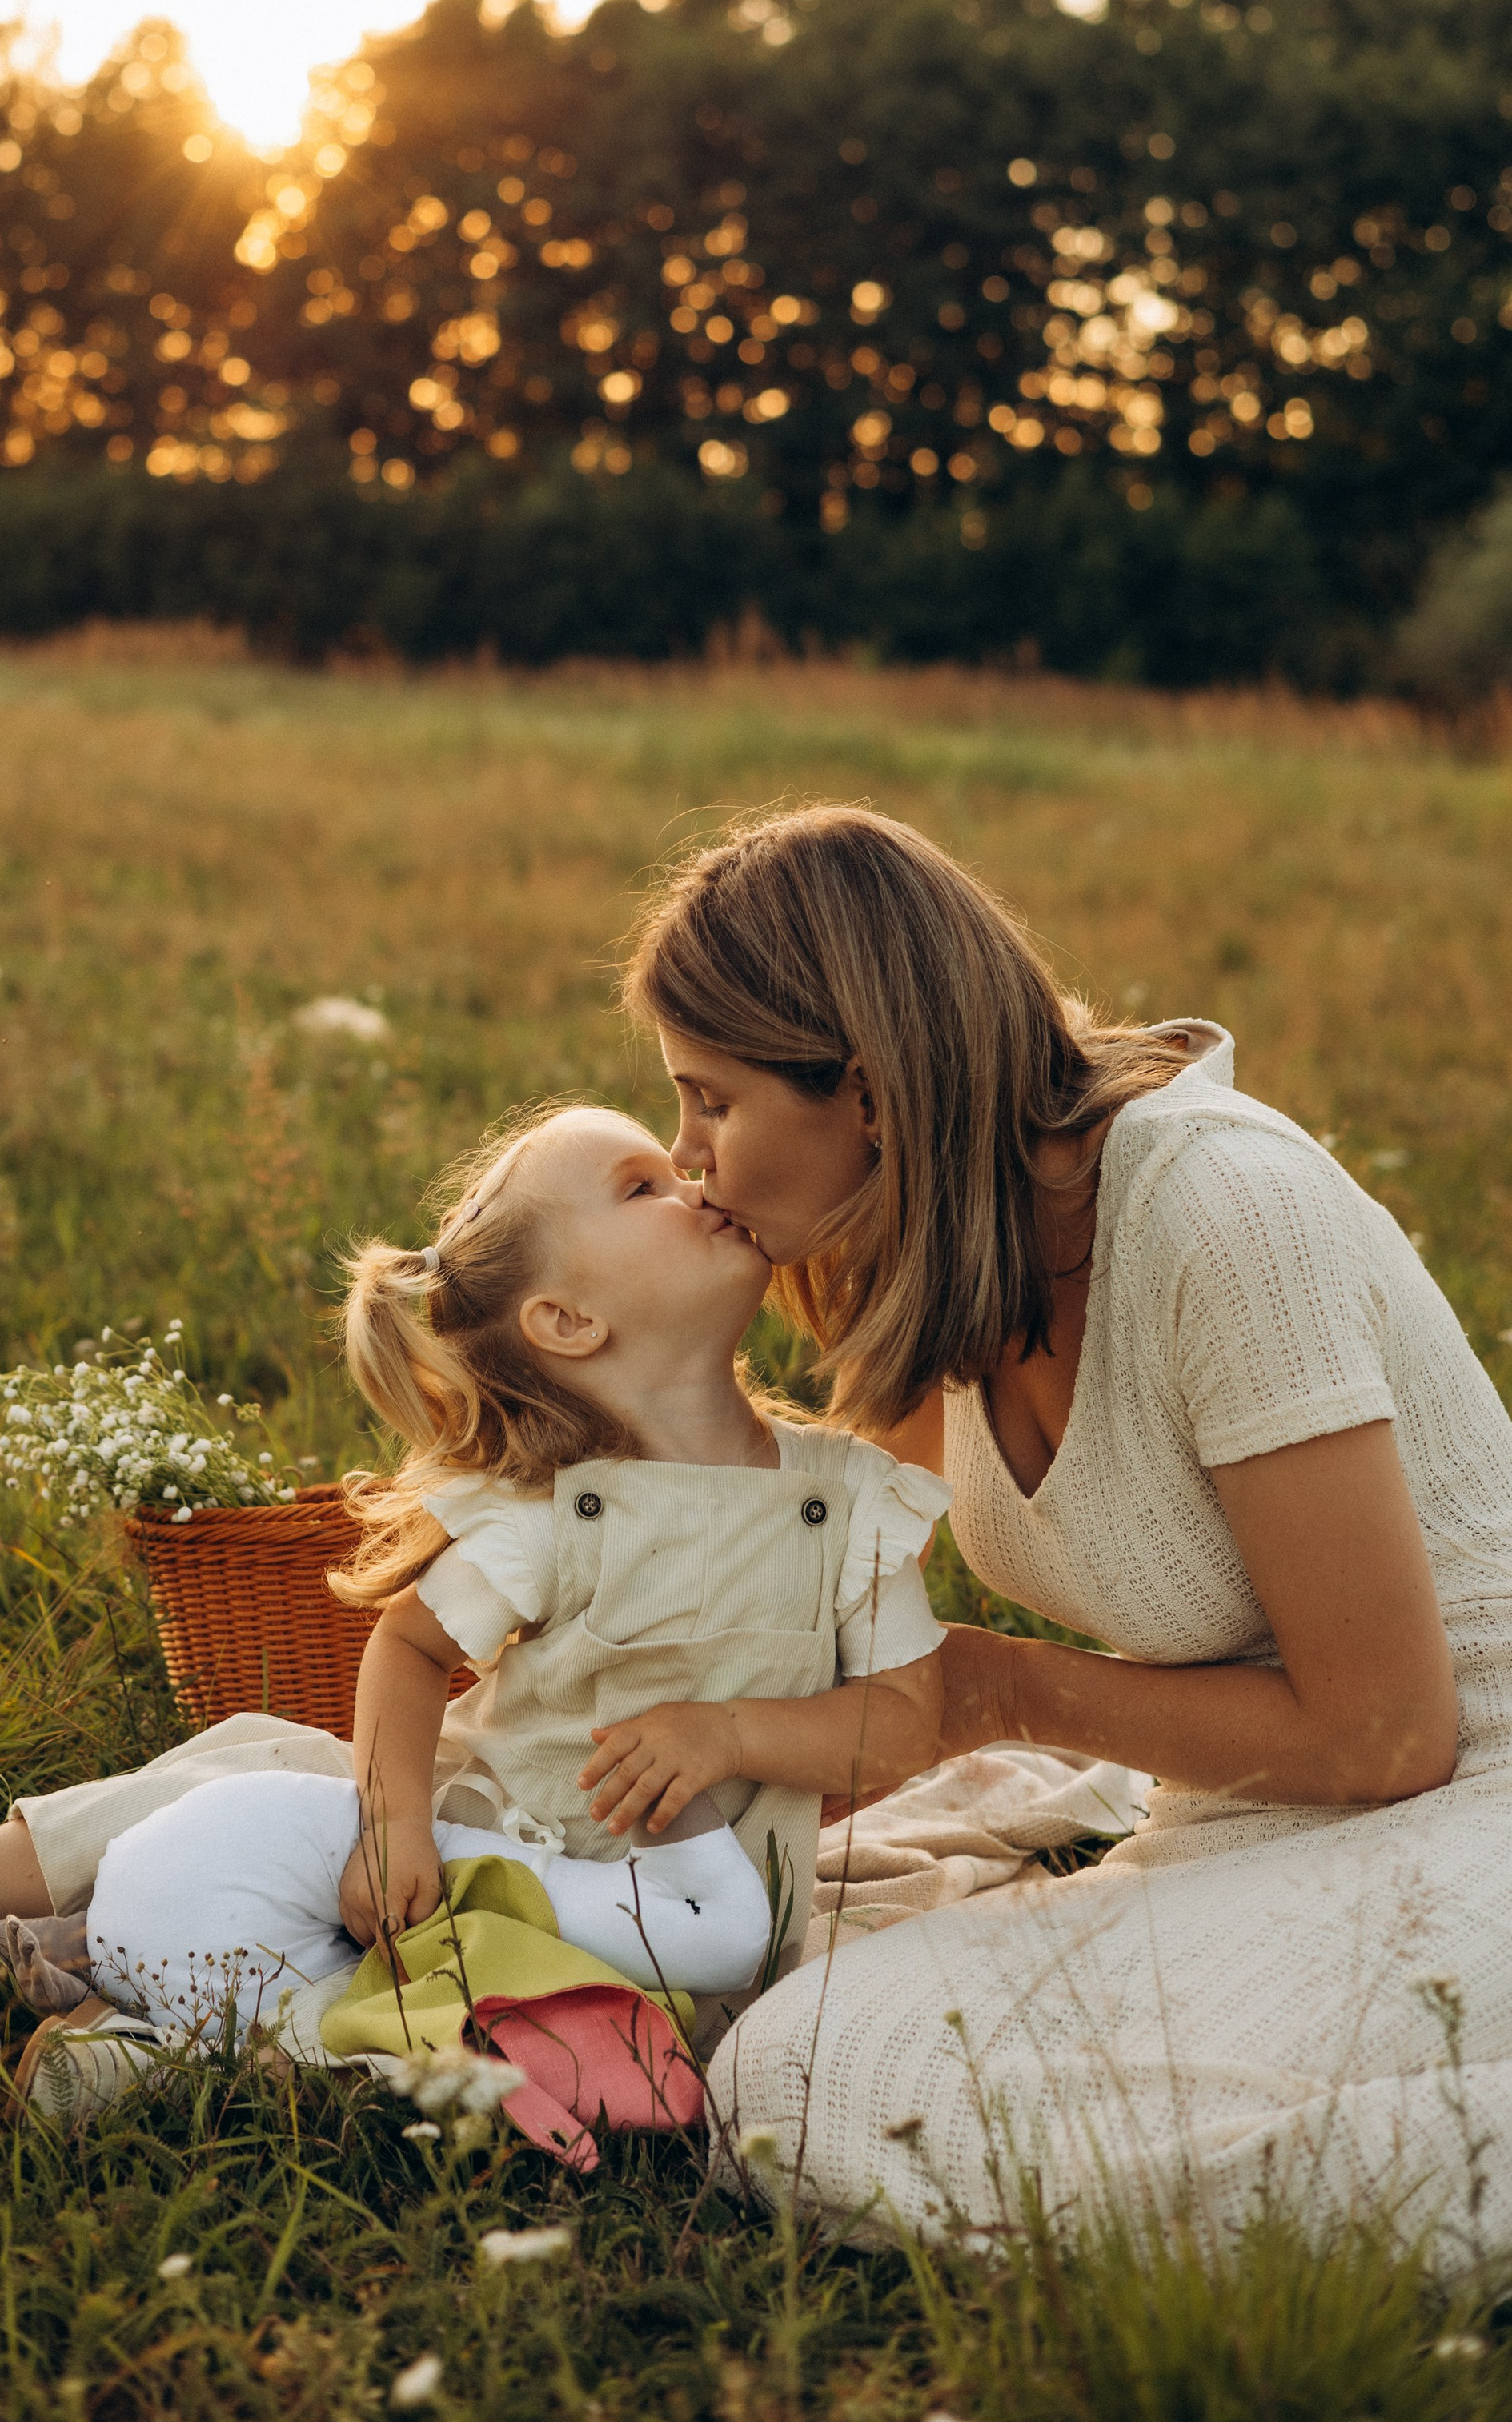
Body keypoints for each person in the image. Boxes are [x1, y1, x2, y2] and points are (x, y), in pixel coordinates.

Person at [626, 804, 1512, 2261]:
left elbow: (1386, 1735)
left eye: (709, 1099)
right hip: (1238, 1824)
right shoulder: (958, 1239)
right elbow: (835, 1555)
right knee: (794, 2062)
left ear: (863, 1090)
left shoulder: (1225, 1216)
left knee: (852, 2091)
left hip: (1463, 1795)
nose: (689, 1152)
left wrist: (998, 1694)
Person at [0, 1101, 950, 2087]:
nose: (694, 1175)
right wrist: (392, 1822)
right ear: (568, 1319)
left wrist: (734, 1734)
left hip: (675, 1940)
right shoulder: (558, 1502)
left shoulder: (847, 1500)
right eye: (642, 1185)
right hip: (466, 1844)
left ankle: (132, 2057)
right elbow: (412, 1651)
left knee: (415, 2027)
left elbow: (906, 1720)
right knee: (261, 1770)